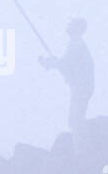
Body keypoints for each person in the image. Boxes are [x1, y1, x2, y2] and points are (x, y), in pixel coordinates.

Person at [39, 18, 94, 148]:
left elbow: (66, 64)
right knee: (75, 119)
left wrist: (50, 63)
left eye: (72, 24)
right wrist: (53, 63)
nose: (68, 26)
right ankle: (81, 148)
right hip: (81, 87)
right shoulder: (76, 44)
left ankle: (81, 151)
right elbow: (67, 64)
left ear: (77, 28)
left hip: (81, 87)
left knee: (75, 120)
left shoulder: (76, 44)